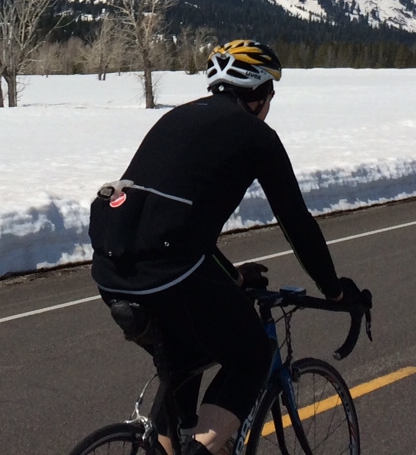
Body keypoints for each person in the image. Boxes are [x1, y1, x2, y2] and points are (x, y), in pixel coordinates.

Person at [89, 41, 364, 455]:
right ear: (258, 95)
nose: (270, 102)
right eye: (271, 92)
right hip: (171, 270)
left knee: (183, 361)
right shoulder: (257, 136)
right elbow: (296, 223)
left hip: (113, 271)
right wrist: (336, 290)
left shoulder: (178, 118)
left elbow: (176, 224)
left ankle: (170, 445)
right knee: (252, 356)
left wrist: (232, 276)